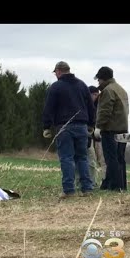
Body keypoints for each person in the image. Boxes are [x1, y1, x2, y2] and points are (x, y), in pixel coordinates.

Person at [42, 61, 96, 199]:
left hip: (64, 127)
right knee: (82, 158)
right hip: (82, 126)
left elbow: (49, 108)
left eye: (55, 73)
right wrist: (91, 124)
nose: (55, 75)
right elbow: (90, 106)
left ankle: (69, 190)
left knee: (66, 158)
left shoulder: (56, 87)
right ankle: (87, 188)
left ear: (59, 71)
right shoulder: (82, 85)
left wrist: (46, 126)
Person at [93, 66, 129, 192]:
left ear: (103, 78)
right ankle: (122, 185)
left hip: (111, 130)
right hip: (123, 129)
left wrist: (98, 127)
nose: (98, 82)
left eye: (99, 79)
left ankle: (115, 186)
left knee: (111, 159)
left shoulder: (107, 91)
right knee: (120, 159)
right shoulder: (121, 89)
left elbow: (105, 111)